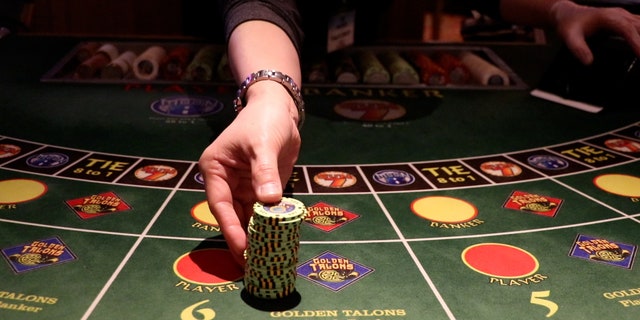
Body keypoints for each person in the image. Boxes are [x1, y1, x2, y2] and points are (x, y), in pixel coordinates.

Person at [199, 0, 640, 266]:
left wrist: (561, 9)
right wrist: (272, 97)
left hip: (354, 57)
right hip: (242, 57)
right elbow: (259, 3)